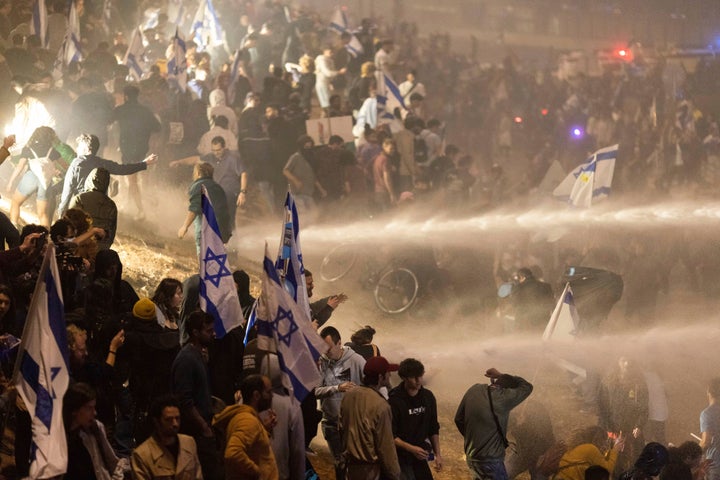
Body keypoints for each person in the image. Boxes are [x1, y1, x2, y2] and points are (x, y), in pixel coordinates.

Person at [455, 368, 533, 480]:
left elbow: (458, 419)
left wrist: (475, 438)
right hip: (491, 461)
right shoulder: (504, 398)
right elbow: (527, 386)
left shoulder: (474, 389)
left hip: (472, 457)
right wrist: (501, 374)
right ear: (507, 390)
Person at [171, 311, 220, 480]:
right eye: (208, 331)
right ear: (195, 332)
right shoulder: (186, 359)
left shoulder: (198, 355)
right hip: (195, 432)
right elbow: (185, 400)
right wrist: (203, 426)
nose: (213, 334)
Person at [58, 133, 157, 216]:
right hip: (99, 208)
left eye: (79, 146)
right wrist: (144, 163)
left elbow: (68, 189)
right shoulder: (102, 163)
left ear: (87, 149)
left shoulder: (76, 164)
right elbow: (123, 169)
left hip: (81, 207)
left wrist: (62, 211)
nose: (77, 149)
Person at [316, 326, 366, 480]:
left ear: (339, 343)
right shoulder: (320, 362)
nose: (326, 352)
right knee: (340, 463)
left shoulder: (357, 360)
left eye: (329, 348)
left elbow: (372, 387)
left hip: (353, 424)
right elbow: (314, 391)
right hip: (330, 422)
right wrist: (337, 388)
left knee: (357, 463)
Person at [170, 135, 248, 234]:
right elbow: (195, 159)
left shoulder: (233, 158)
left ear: (224, 147)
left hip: (230, 193)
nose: (216, 153)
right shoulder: (210, 157)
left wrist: (243, 192)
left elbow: (243, 173)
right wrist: (179, 162)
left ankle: (232, 244)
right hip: (216, 193)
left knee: (228, 217)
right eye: (214, 150)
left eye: (218, 150)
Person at [340, 356, 401, 480]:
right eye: (387, 373)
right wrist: (395, 474)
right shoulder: (381, 405)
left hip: (349, 467)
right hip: (370, 471)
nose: (389, 375)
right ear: (380, 377)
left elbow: (341, 428)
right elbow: (385, 446)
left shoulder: (348, 395)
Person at [213, 374, 279, 480]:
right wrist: (258, 472)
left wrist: (265, 430)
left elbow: (253, 450)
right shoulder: (248, 420)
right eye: (268, 392)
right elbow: (233, 453)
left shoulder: (247, 418)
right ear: (256, 395)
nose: (272, 396)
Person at [111, 84, 161, 218]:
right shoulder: (145, 111)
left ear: (126, 96)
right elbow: (157, 127)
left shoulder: (121, 110)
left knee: (132, 180)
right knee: (139, 178)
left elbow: (108, 119)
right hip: (142, 149)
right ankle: (135, 204)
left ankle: (141, 210)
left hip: (127, 149)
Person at [389, 358, 442, 480]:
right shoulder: (394, 400)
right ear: (404, 378)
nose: (419, 381)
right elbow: (391, 435)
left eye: (420, 376)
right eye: (414, 377)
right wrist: (411, 449)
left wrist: (438, 455)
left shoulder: (428, 397)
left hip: (420, 454)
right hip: (400, 457)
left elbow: (433, 427)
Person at [131, 394, 202, 480]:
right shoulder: (142, 455)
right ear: (157, 421)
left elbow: (198, 476)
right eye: (169, 420)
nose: (175, 424)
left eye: (177, 418)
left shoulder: (189, 443)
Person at [63, 382, 123, 480]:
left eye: (94, 407)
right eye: (89, 408)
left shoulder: (95, 428)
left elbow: (112, 462)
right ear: (74, 410)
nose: (94, 413)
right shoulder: (59, 437)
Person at [177, 162, 231, 256]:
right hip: (222, 231)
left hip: (206, 231)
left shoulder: (198, 186)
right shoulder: (218, 188)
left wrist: (185, 226)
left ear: (198, 173)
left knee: (203, 257)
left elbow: (195, 208)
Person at [68, 167, 117, 250]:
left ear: (89, 179)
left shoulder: (79, 199)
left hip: (81, 245)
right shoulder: (111, 204)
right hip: (101, 248)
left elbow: (69, 225)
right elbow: (112, 230)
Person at [554, 426, 625, 480]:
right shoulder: (590, 448)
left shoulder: (578, 448)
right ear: (597, 439)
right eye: (603, 442)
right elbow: (606, 470)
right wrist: (615, 449)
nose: (604, 446)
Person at [700, 377, 720, 480]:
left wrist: (694, 451)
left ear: (708, 390)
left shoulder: (707, 414)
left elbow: (706, 442)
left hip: (715, 463)